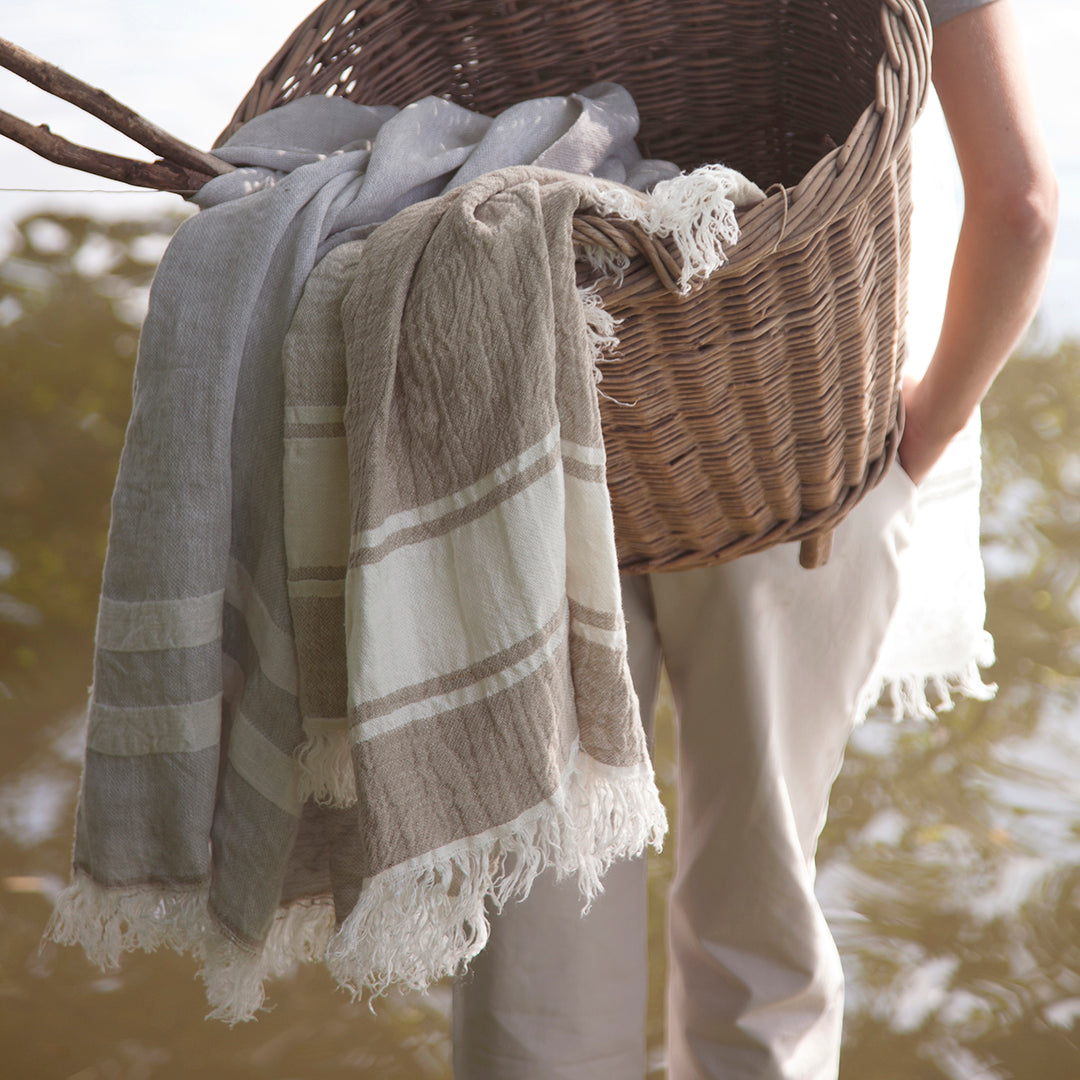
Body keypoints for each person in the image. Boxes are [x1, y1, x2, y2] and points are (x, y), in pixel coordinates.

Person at [451, 1, 1059, 1077]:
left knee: (538, 949)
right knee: (758, 924)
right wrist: (919, 436)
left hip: (531, 417)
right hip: (794, 430)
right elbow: (1021, 206)